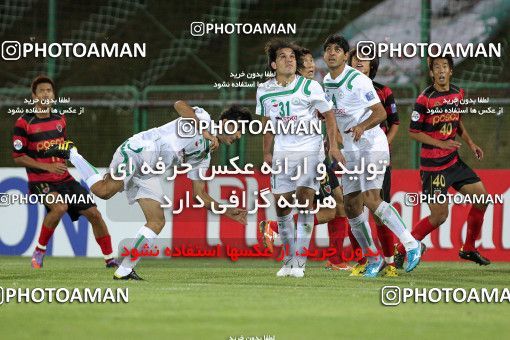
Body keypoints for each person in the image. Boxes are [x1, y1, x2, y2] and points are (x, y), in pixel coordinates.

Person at [46, 100, 251, 279]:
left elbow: (201, 195)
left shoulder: (203, 157)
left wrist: (225, 210)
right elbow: (179, 104)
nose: (239, 136)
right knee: (103, 191)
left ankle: (125, 270)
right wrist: (204, 130)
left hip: (148, 171)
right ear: (226, 122)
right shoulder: (202, 117)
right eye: (239, 129)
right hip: (139, 150)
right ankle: (73, 154)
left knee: (157, 221)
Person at [322, 35, 423, 277]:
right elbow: (331, 116)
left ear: (346, 56)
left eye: (338, 50)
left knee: (371, 198)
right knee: (351, 205)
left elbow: (380, 114)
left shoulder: (358, 80)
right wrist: (333, 145)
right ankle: (373, 258)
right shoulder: (326, 81)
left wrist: (361, 126)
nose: (332, 53)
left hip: (372, 145)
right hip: (351, 150)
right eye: (328, 50)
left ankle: (411, 244)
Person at [258, 47, 352, 271]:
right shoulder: (266, 90)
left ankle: (319, 260)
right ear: (274, 64)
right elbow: (267, 122)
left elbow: (329, 116)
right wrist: (267, 153)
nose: (311, 65)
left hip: (313, 155)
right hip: (287, 156)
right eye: (307, 62)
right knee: (332, 207)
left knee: (336, 204)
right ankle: (278, 231)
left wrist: (333, 145)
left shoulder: (314, 87)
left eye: (310, 61)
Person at [12, 75, 118, 269]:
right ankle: (39, 251)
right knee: (59, 207)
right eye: (42, 91)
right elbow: (18, 157)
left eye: (49, 91)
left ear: (53, 95)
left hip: (65, 179)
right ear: (34, 96)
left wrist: (70, 154)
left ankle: (110, 259)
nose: (46, 94)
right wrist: (47, 166)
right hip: (40, 181)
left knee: (95, 214)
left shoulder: (60, 119)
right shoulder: (24, 122)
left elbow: (62, 146)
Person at [394, 55, 491, 267]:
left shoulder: (458, 93)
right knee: (439, 216)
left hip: (453, 162)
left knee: (482, 199)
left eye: (444, 66)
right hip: (433, 168)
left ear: (450, 71)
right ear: (431, 73)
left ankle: (469, 248)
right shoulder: (424, 99)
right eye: (436, 67)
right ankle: (402, 248)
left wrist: (471, 142)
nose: (440, 70)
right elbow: (413, 132)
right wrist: (440, 144)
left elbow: (458, 121)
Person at [347, 47, 401, 277]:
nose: (359, 62)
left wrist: (385, 146)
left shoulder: (383, 91)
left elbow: (394, 122)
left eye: (364, 59)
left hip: (375, 156)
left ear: (372, 65)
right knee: (353, 209)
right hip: (351, 156)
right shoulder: (341, 90)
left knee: (378, 210)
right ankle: (364, 260)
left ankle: (389, 263)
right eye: (355, 58)